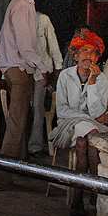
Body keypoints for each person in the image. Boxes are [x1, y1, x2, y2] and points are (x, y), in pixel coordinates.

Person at [0, 0, 51, 189]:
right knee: (16, 124)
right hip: (21, 70)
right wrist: (42, 66)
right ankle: (1, 177)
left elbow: (2, 40)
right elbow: (25, 46)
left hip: (11, 69)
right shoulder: (23, 6)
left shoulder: (15, 4)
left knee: (20, 119)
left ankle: (20, 166)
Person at [48, 29, 108, 216]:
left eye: (92, 52)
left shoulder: (102, 80)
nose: (88, 56)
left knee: (85, 142)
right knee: (89, 135)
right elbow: (63, 111)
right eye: (84, 51)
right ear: (76, 55)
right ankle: (94, 192)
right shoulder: (65, 76)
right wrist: (90, 118)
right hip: (68, 126)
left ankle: (77, 199)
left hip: (92, 130)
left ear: (97, 58)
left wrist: (91, 83)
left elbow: (100, 112)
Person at [28, 11, 63, 156]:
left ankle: (35, 146)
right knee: (22, 108)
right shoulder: (16, 18)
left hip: (42, 72)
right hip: (24, 70)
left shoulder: (43, 19)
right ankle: (20, 146)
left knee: (37, 107)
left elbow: (53, 44)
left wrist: (58, 66)